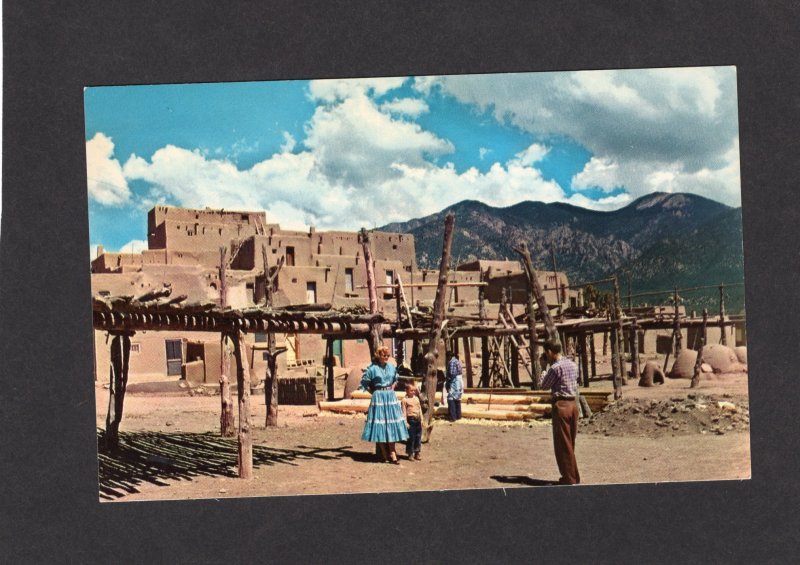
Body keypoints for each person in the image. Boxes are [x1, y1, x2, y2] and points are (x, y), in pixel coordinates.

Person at [358, 345, 409, 464]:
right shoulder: (372, 369)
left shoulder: (391, 367)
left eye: (387, 355)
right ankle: (384, 454)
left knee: (391, 425)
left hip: (390, 397)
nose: (386, 357)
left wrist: (393, 386)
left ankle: (393, 452)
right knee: (379, 425)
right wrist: (375, 392)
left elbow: (396, 379)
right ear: (378, 356)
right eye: (383, 355)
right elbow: (364, 383)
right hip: (379, 398)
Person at [540, 339, 581, 485]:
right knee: (570, 443)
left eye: (546, 353)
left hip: (561, 405)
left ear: (550, 352)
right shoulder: (572, 364)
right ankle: (573, 476)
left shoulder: (555, 368)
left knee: (563, 444)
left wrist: (543, 368)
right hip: (573, 404)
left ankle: (569, 479)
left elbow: (544, 386)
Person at [401, 382, 423, 461]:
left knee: (418, 437)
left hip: (418, 420)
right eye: (411, 391)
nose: (413, 392)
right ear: (406, 391)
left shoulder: (416, 398)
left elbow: (419, 408)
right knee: (411, 438)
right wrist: (405, 422)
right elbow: (404, 412)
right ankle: (410, 453)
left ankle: (417, 452)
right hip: (411, 420)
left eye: (414, 390)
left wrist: (422, 419)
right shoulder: (404, 400)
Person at [446, 352, 464, 421]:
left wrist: (448, 383)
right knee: (457, 398)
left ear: (449, 356)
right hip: (459, 381)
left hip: (455, 381)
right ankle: (458, 415)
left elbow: (452, 374)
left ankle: (453, 417)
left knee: (451, 398)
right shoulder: (457, 361)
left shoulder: (452, 362)